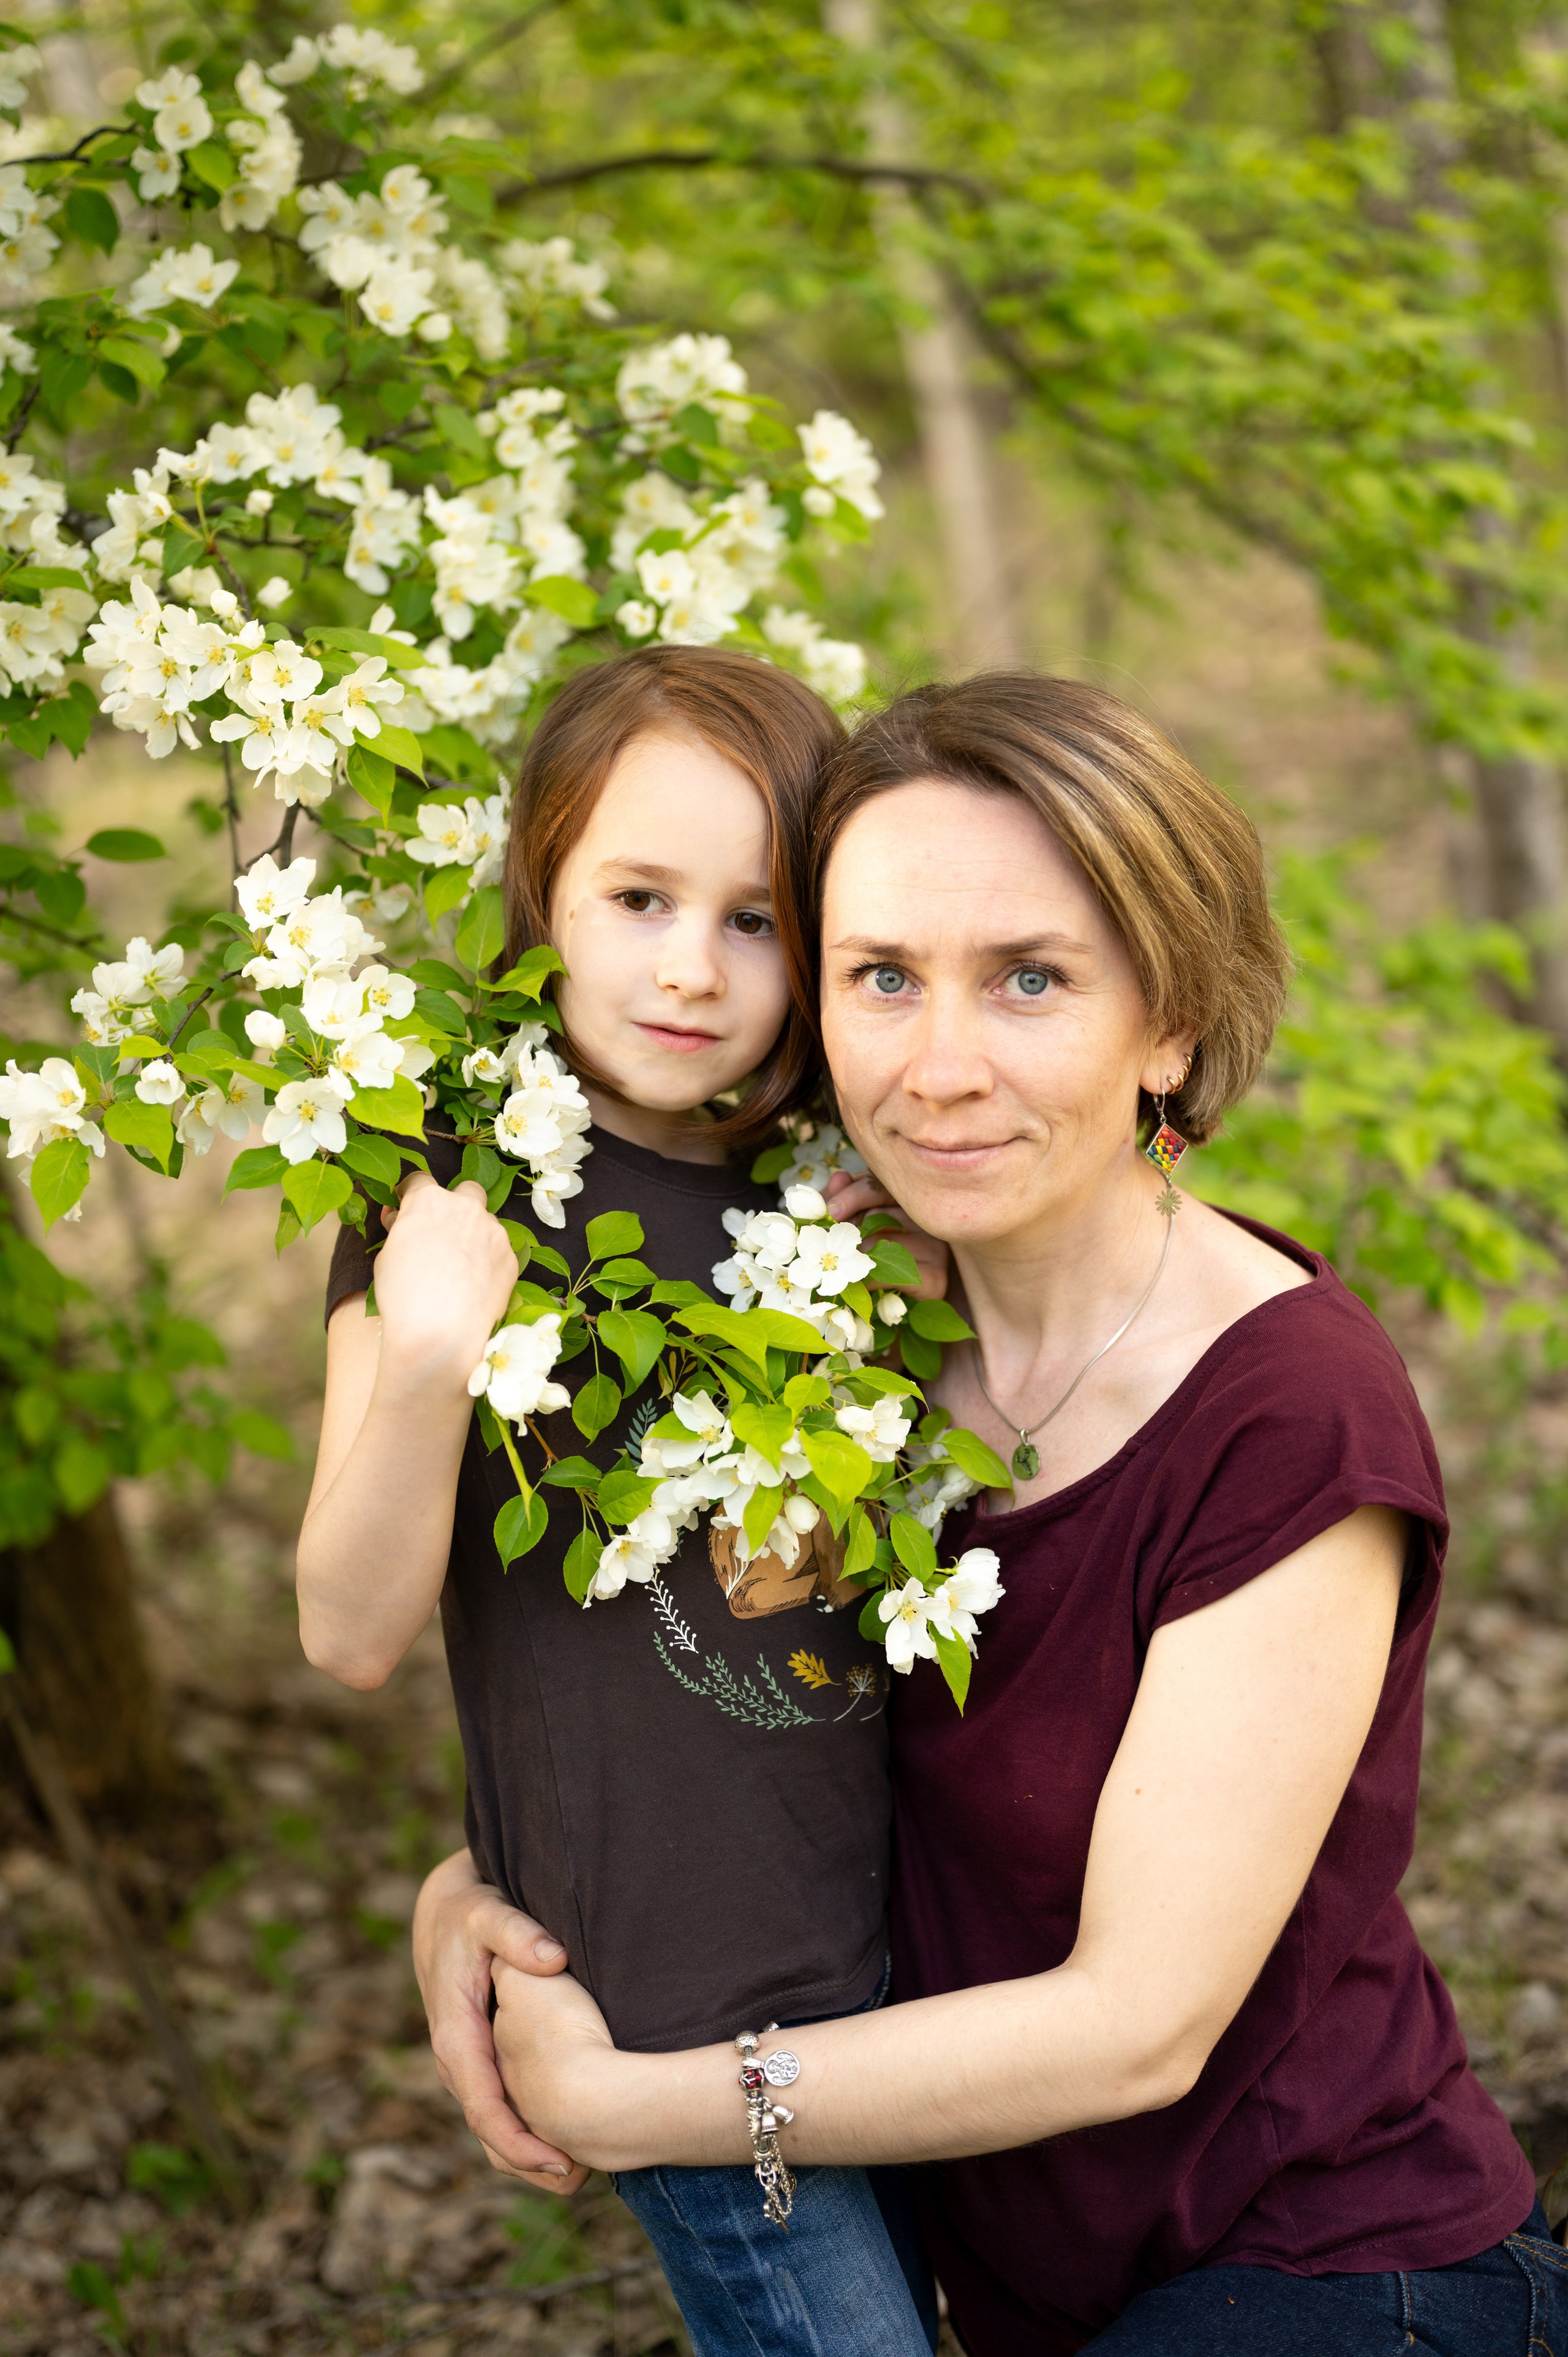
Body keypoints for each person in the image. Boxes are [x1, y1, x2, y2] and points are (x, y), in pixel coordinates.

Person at [415, 673, 1564, 2357]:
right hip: (1034, 2299)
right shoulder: (824, 1324)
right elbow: (712, 1716)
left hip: (1345, 2274)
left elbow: (1135, 2028)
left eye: (1030, 980)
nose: (938, 1067)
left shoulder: (1289, 1412)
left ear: (1167, 1022)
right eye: (884, 978)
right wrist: (481, 1888)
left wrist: (640, 2104)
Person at [296, 647, 943, 2356]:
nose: (688, 968)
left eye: (754, 918)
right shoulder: (458, 1192)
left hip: (919, 1970)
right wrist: (436, 1349)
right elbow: (347, 1629)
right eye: (638, 896)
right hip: (665, 2004)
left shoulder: (845, 1200)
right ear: (542, 894)